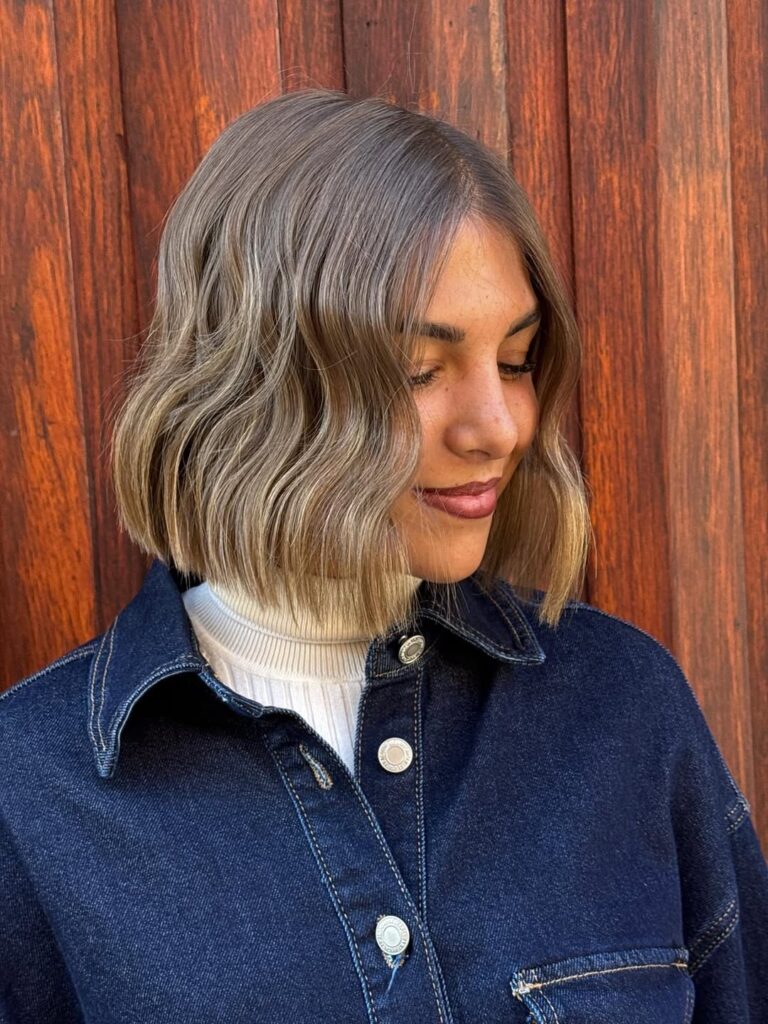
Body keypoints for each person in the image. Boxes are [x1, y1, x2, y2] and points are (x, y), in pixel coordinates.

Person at [0, 88, 765, 1024]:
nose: (498, 428)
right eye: (418, 368)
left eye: (517, 360)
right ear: (258, 376)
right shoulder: (31, 796)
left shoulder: (622, 712)